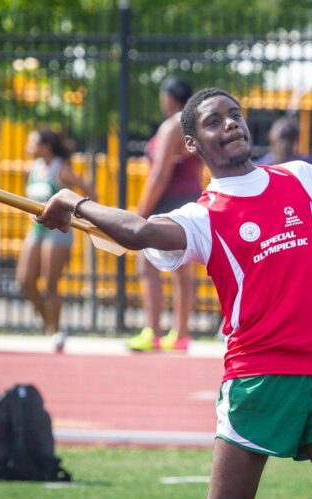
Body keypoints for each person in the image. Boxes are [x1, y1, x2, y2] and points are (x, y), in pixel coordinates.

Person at [36, 87, 312, 499]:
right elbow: (136, 232)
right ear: (192, 144)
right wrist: (73, 201)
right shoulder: (202, 217)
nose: (230, 124)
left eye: (235, 115)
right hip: (258, 378)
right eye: (214, 121)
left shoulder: (301, 179)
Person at [127, 76, 203, 353]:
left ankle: (153, 332)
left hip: (168, 201)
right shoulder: (192, 125)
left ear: (169, 98)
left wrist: (141, 212)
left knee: (147, 265)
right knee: (183, 269)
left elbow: (159, 174)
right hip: (188, 199)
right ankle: (181, 334)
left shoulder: (172, 125)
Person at [16, 126, 96, 352]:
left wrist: (77, 215)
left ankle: (54, 332)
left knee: (51, 285)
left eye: (32, 143)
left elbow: (90, 192)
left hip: (58, 232)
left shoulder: (62, 170)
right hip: (37, 230)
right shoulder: (32, 168)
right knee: (24, 280)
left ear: (45, 146)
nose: (28, 147)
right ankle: (50, 326)